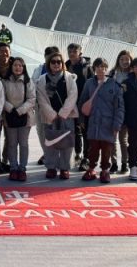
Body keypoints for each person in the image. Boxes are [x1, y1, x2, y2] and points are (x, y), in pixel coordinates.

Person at [78, 58, 125, 183]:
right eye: (98, 67)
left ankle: (105, 170)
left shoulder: (114, 85)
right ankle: (91, 169)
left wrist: (117, 125)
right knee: (92, 149)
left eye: (103, 67)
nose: (101, 69)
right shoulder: (89, 83)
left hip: (108, 124)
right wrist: (81, 119)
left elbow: (119, 108)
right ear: (94, 68)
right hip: (93, 123)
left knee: (106, 149)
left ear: (106, 69)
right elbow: (82, 101)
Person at [37, 51, 78, 180]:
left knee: (67, 143)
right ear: (48, 63)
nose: (56, 64)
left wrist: (63, 113)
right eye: (53, 62)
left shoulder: (69, 77)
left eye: (59, 62)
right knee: (50, 142)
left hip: (67, 115)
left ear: (62, 63)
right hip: (49, 117)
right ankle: (51, 167)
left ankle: (65, 168)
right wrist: (52, 114)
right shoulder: (42, 79)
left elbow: (73, 96)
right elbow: (41, 99)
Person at [2, 57, 36, 181]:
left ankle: (22, 168)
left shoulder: (28, 81)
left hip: (25, 117)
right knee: (11, 143)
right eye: (15, 65)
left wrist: (20, 110)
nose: (18, 68)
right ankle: (13, 168)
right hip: (9, 116)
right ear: (11, 67)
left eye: (20, 65)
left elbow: (32, 99)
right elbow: (1, 98)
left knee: (23, 144)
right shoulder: (5, 81)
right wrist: (10, 109)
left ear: (24, 68)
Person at [31, 46, 60, 167]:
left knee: (57, 131)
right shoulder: (39, 70)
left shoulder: (63, 71)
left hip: (57, 108)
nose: (53, 61)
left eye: (55, 57)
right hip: (40, 106)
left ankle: (58, 155)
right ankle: (47, 153)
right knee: (41, 131)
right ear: (45, 57)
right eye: (49, 57)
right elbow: (32, 86)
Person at [66, 43, 93, 172]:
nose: (72, 53)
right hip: (70, 104)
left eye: (74, 51)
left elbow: (92, 85)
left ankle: (86, 158)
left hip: (83, 104)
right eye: (70, 51)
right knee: (74, 130)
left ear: (80, 53)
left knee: (85, 130)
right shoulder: (65, 66)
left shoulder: (87, 67)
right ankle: (77, 154)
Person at [109, 50, 133, 174]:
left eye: (127, 59)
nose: (124, 62)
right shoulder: (113, 73)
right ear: (118, 60)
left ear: (131, 60)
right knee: (112, 138)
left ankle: (124, 163)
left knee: (123, 139)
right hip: (113, 109)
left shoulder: (133, 74)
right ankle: (113, 163)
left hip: (126, 110)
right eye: (122, 59)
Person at [0, 42, 14, 173]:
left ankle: (5, 160)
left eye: (6, 51)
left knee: (9, 137)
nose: (4, 53)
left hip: (11, 107)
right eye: (1, 51)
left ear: (10, 52)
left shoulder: (16, 65)